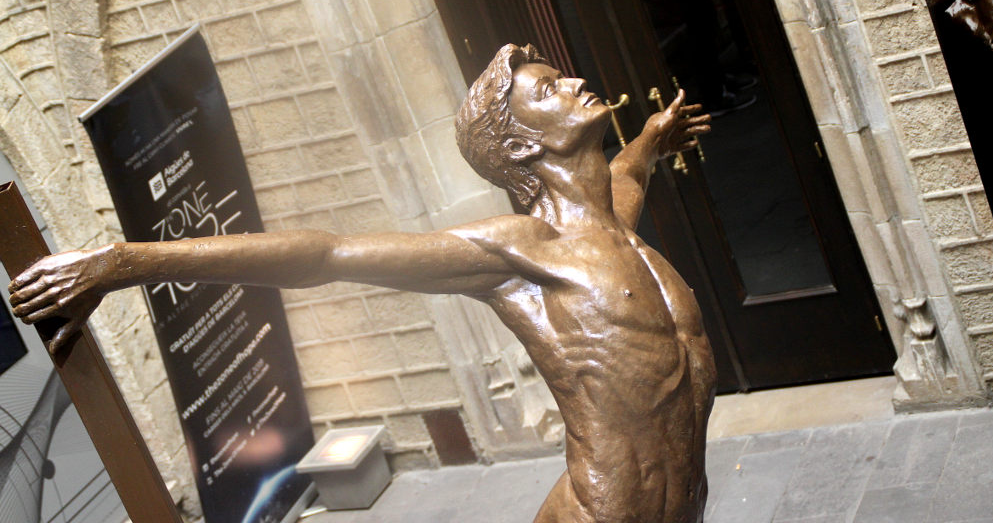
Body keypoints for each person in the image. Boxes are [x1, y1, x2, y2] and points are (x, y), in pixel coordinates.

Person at [8, 44, 715, 522]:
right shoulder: (521, 251)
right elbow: (328, 254)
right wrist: (123, 262)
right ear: (526, 145)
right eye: (547, 90)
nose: (573, 82)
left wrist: (653, 138)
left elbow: (627, 174)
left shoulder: (616, 224)